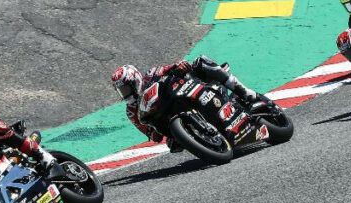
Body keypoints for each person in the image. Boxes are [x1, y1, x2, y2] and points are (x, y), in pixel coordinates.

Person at [111, 56, 260, 145]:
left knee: (201, 61)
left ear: (135, 80)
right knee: (173, 144)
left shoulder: (151, 75)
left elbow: (170, 68)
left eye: (126, 88)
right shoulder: (131, 111)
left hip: (184, 92)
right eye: (121, 91)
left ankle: (244, 92)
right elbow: (154, 136)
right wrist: (157, 131)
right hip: (169, 121)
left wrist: (178, 66)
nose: (126, 93)